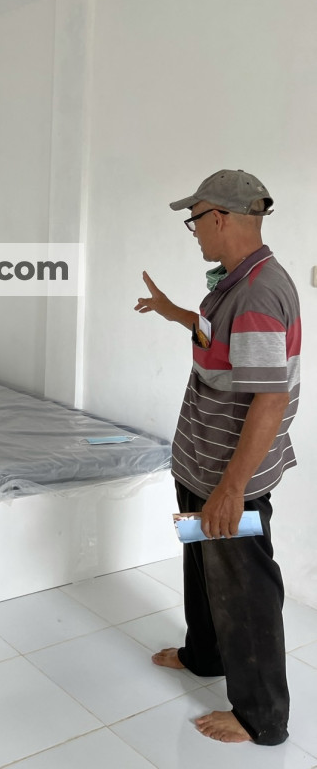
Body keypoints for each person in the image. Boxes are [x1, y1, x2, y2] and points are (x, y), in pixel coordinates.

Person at [134, 169, 300, 746]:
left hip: (230, 478)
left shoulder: (257, 294)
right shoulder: (234, 283)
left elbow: (270, 398)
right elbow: (217, 338)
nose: (195, 232)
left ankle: (262, 717)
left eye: (195, 220)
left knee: (245, 590)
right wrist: (174, 312)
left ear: (221, 218)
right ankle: (205, 653)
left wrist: (232, 490)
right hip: (201, 465)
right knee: (203, 565)